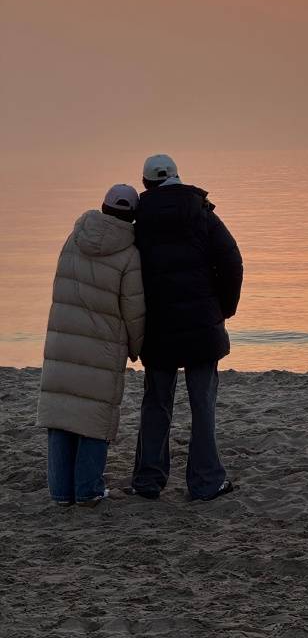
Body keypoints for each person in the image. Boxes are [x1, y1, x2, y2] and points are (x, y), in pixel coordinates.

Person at [128, 154, 243, 502]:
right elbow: (232, 261)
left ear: (146, 184)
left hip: (159, 327)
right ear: (178, 176)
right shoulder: (202, 213)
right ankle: (206, 483)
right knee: (202, 404)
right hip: (201, 326)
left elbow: (127, 273)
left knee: (156, 404)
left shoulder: (140, 220)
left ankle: (148, 481)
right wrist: (224, 308)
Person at [37, 185, 145, 507]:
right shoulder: (130, 253)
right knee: (94, 419)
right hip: (103, 348)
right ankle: (87, 490)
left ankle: (60, 492)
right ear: (133, 217)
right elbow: (134, 309)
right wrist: (137, 348)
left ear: (102, 206)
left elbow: (60, 286)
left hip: (62, 340)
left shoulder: (73, 239)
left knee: (62, 415)